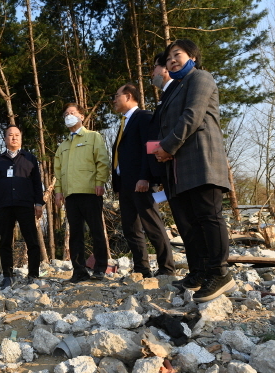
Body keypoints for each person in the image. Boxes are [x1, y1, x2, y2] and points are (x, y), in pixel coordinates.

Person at [153, 39, 236, 302]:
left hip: (202, 159)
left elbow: (193, 116)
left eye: (177, 55)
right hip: (179, 166)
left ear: (193, 57)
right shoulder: (175, 88)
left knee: (208, 216)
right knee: (189, 223)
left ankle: (220, 273)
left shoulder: (200, 77)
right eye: (168, 59)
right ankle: (199, 271)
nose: (172, 61)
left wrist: (166, 146)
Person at [112, 83, 175, 278]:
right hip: (125, 184)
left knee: (152, 225)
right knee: (131, 228)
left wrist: (145, 177)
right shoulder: (124, 123)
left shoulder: (144, 118)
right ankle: (141, 269)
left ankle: (167, 268)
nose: (113, 100)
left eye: (116, 95)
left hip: (141, 183)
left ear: (128, 96)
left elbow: (150, 150)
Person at [149, 52, 200, 290]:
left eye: (154, 69)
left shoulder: (187, 86)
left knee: (201, 220)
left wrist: (167, 148)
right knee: (184, 222)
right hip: (168, 166)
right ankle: (196, 272)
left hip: (186, 164)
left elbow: (188, 120)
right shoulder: (165, 96)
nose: (153, 74)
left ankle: (212, 272)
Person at [54, 103, 110, 283]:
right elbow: (58, 171)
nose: (68, 116)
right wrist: (58, 191)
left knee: (96, 231)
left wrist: (100, 182)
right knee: (75, 233)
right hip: (70, 195)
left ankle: (100, 268)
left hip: (90, 192)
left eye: (72, 113)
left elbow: (102, 161)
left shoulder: (93, 137)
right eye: (66, 114)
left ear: (82, 117)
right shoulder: (62, 146)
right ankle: (78, 270)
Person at [0, 125, 44, 289]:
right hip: (4, 206)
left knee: (32, 240)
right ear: (5, 139)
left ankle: (33, 274)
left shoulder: (30, 158)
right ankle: (8, 275)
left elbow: (36, 183)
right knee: (5, 242)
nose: (14, 138)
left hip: (25, 205)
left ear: (21, 137)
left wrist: (38, 203)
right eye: (10, 135)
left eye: (17, 135)